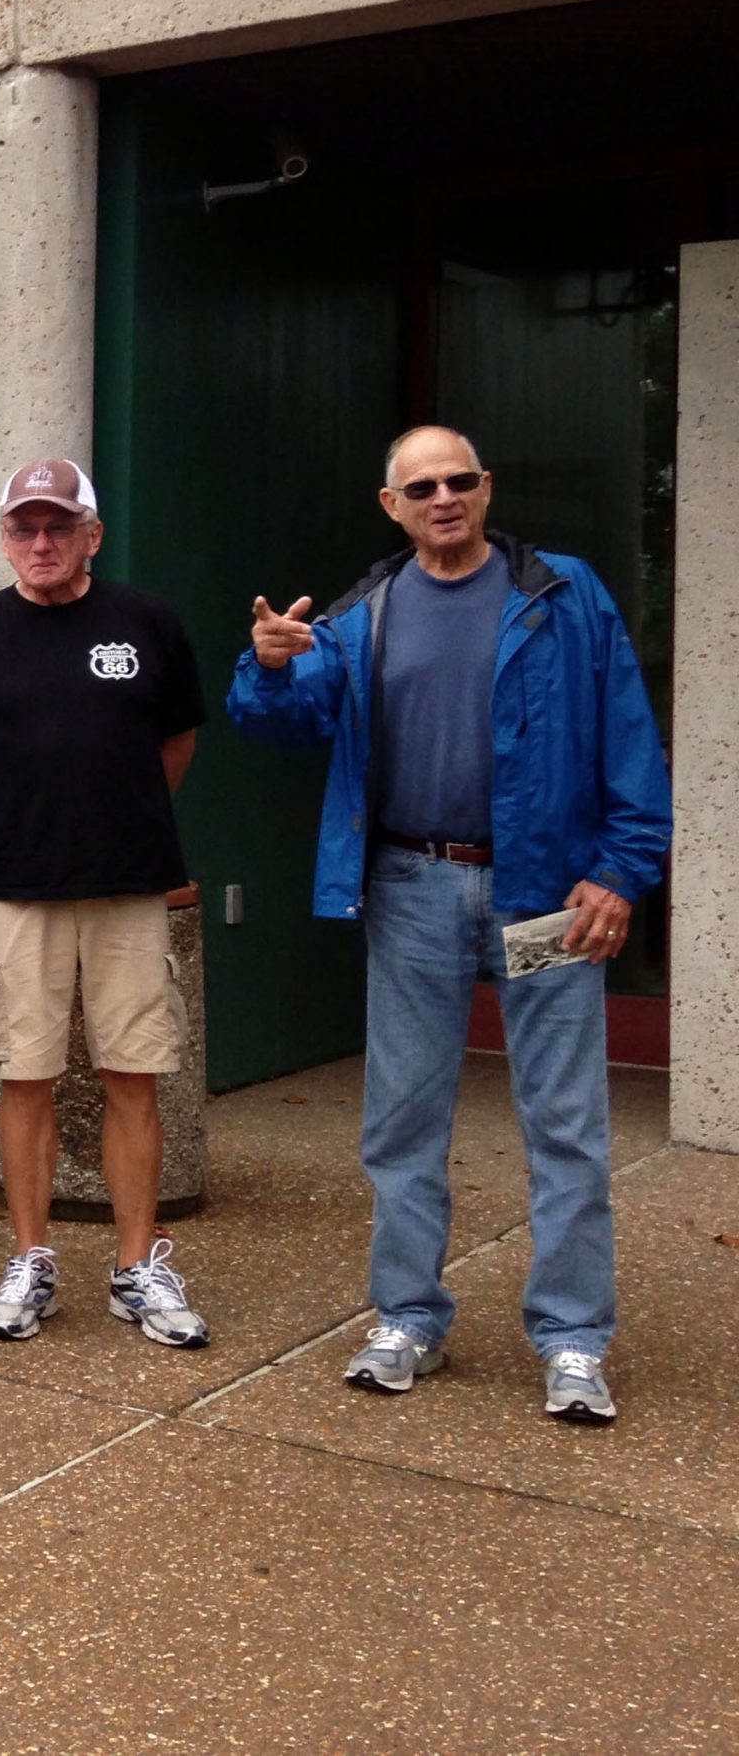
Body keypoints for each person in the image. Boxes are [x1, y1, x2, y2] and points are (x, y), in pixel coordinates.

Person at [228, 425, 670, 1423]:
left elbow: (629, 737)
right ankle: (407, 1317)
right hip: (413, 886)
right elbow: (287, 720)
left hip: (549, 891)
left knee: (564, 1123)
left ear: (485, 489)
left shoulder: (562, 594)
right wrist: (262, 665)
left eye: (457, 480)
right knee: (402, 1116)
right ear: (391, 505)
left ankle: (570, 1338)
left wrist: (620, 871)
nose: (441, 497)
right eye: (419, 486)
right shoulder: (363, 614)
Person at [0, 458, 211, 1348]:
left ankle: (135, 1268)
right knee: (26, 1077)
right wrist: (30, 822)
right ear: (6, 538)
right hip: (18, 891)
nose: (40, 543)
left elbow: (177, 743)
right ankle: (32, 1259)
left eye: (58, 526)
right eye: (23, 528)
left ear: (92, 533)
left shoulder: (148, 623)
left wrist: (108, 822)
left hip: (129, 888)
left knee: (134, 1074)